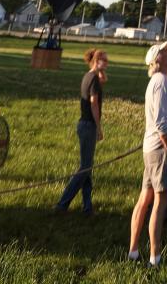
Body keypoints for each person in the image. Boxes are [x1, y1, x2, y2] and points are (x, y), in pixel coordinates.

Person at [129, 43, 167, 266]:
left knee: (145, 199)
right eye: (165, 50)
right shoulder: (160, 82)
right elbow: (161, 121)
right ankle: (155, 257)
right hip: (161, 150)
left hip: (152, 148)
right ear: (157, 59)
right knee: (160, 202)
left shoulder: (158, 81)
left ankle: (133, 252)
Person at [54, 48, 108, 216]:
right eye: (104, 61)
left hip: (83, 125)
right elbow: (93, 104)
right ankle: (62, 204)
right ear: (96, 61)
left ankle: (87, 207)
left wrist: (101, 73)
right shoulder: (93, 79)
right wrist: (98, 127)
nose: (107, 63)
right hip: (88, 125)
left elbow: (101, 81)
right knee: (84, 168)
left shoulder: (89, 76)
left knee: (87, 167)